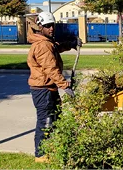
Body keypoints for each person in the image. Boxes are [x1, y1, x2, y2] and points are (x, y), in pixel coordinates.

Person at [27, 11, 82, 162]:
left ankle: (52, 148)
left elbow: (56, 48)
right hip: (43, 90)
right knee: (45, 121)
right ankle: (41, 154)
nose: (51, 28)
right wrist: (65, 85)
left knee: (55, 119)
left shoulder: (46, 42)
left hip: (48, 88)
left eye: (52, 25)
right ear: (40, 27)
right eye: (47, 26)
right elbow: (50, 69)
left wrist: (70, 45)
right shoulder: (43, 45)